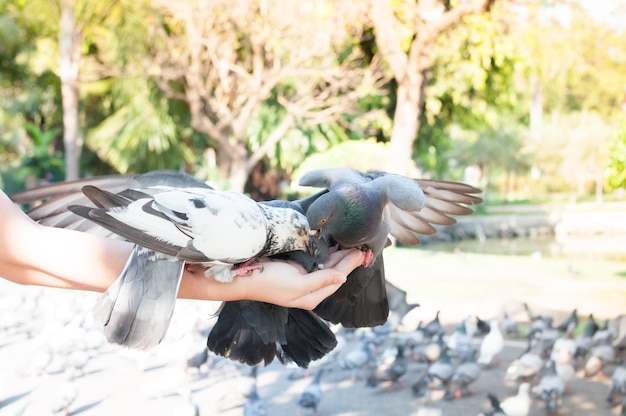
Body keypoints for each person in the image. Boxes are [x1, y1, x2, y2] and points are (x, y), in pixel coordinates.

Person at [0, 189, 364, 310]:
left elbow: (20, 257)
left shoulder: (253, 224)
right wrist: (247, 284)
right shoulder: (251, 234)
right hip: (178, 228)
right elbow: (19, 253)